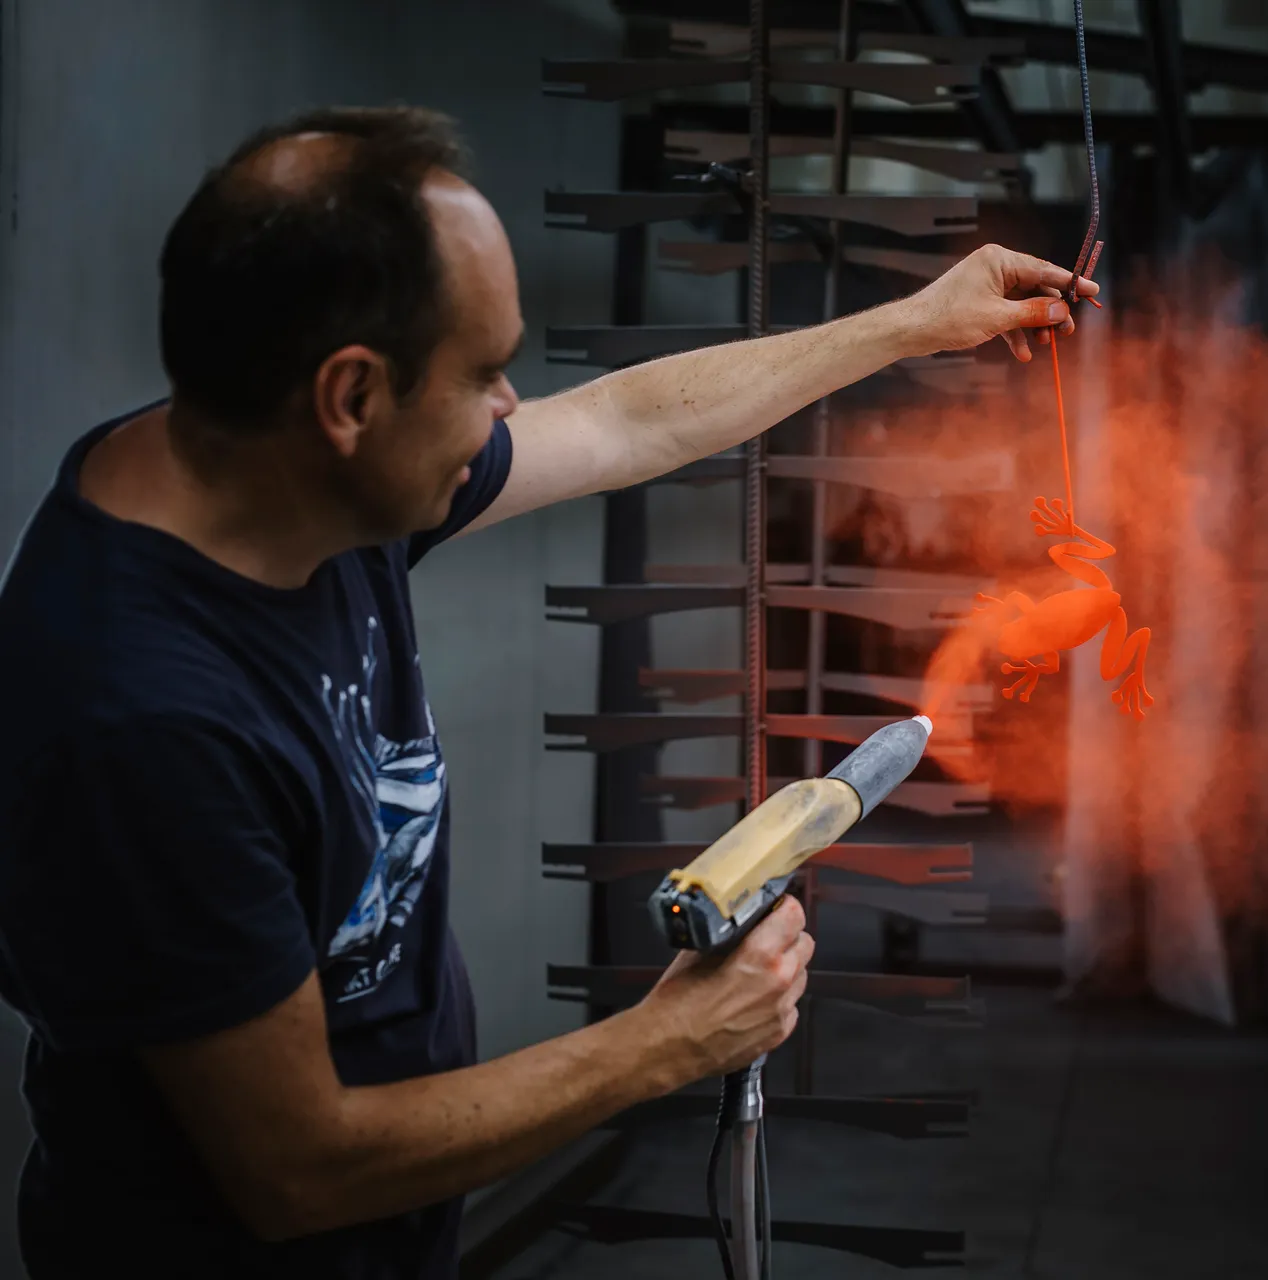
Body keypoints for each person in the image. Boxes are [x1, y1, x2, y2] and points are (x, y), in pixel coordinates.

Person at [0, 105, 1094, 1278]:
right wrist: (663, 1045)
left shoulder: (287, 477)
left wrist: (914, 324)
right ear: (352, 397)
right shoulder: (141, 721)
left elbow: (623, 421)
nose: (511, 405)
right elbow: (296, 1169)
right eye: (481, 373)